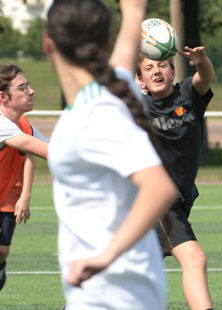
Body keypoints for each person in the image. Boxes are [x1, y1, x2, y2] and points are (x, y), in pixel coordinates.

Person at [42, 0, 177, 309]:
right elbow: (127, 45)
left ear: (46, 43)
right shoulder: (113, 89)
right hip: (114, 292)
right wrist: (133, 13)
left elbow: (159, 188)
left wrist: (106, 255)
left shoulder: (96, 114)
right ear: (104, 41)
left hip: (110, 295)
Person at [136, 46, 215, 310]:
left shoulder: (187, 95)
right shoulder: (137, 110)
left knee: (133, 273)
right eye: (148, 68)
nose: (156, 71)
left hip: (180, 200)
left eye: (162, 65)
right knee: (195, 258)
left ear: (172, 71)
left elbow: (204, 78)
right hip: (157, 201)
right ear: (140, 80)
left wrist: (202, 62)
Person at [0, 64, 48, 291]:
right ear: (3, 97)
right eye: (23, 87)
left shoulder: (23, 125)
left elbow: (51, 149)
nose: (31, 91)